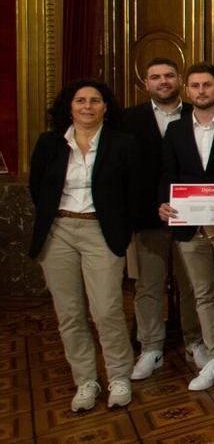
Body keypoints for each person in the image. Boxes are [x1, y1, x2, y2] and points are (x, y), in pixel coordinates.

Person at [28, 79, 138, 411]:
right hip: (58, 231)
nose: (87, 106)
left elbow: (133, 192)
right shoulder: (49, 143)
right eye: (80, 100)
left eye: (95, 100)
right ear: (69, 106)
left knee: (106, 310)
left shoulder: (123, 143)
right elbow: (38, 188)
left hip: (100, 232)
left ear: (106, 106)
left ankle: (119, 377)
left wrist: (121, 228)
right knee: (70, 314)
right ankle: (86, 380)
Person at [157, 63, 214, 392]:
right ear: (186, 90)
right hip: (189, 226)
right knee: (203, 294)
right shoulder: (176, 130)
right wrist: (163, 203)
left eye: (206, 85)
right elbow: (168, 174)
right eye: (194, 86)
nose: (200, 91)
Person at [122, 57, 201, 382]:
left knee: (193, 286)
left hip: (190, 216)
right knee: (149, 286)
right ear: (146, 84)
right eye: (156, 77)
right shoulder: (128, 120)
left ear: (179, 80)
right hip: (147, 217)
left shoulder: (195, 112)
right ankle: (150, 347)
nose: (163, 81)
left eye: (169, 76)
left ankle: (195, 342)